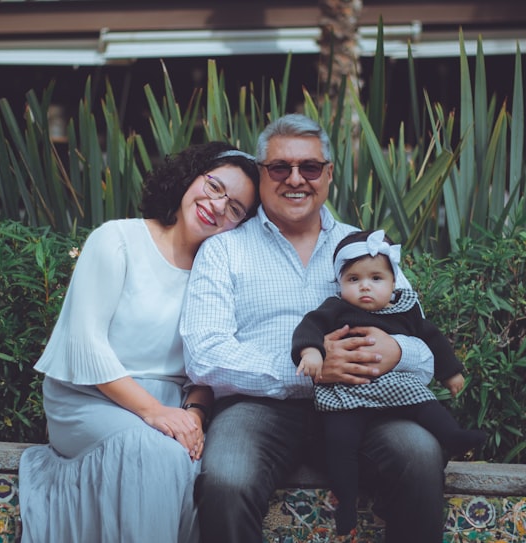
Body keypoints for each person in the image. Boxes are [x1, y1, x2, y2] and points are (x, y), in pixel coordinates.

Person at [181, 113, 447, 543]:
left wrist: (397, 351)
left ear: (328, 174)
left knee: (418, 453)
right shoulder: (225, 250)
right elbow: (204, 354)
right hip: (259, 406)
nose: (295, 179)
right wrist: (310, 371)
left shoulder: (367, 247)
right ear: (263, 174)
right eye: (280, 168)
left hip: (365, 402)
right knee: (226, 476)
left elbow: (426, 349)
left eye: (309, 167)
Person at [18, 141, 259, 543]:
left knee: (188, 459)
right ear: (190, 177)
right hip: (88, 398)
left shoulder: (218, 272)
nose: (218, 206)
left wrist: (194, 418)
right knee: (159, 454)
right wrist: (153, 412)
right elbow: (86, 343)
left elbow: (208, 360)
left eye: (235, 208)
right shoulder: (118, 239)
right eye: (215, 186)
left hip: (170, 408)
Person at [292, 228, 486, 535]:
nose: (365, 287)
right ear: (341, 283)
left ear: (393, 282)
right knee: (340, 444)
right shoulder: (336, 308)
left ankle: (453, 436)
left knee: (424, 404)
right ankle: (346, 504)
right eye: (354, 280)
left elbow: (431, 338)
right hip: (348, 392)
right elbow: (309, 328)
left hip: (392, 386)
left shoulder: (404, 309)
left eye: (376, 279)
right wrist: (311, 353)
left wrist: (450, 373)